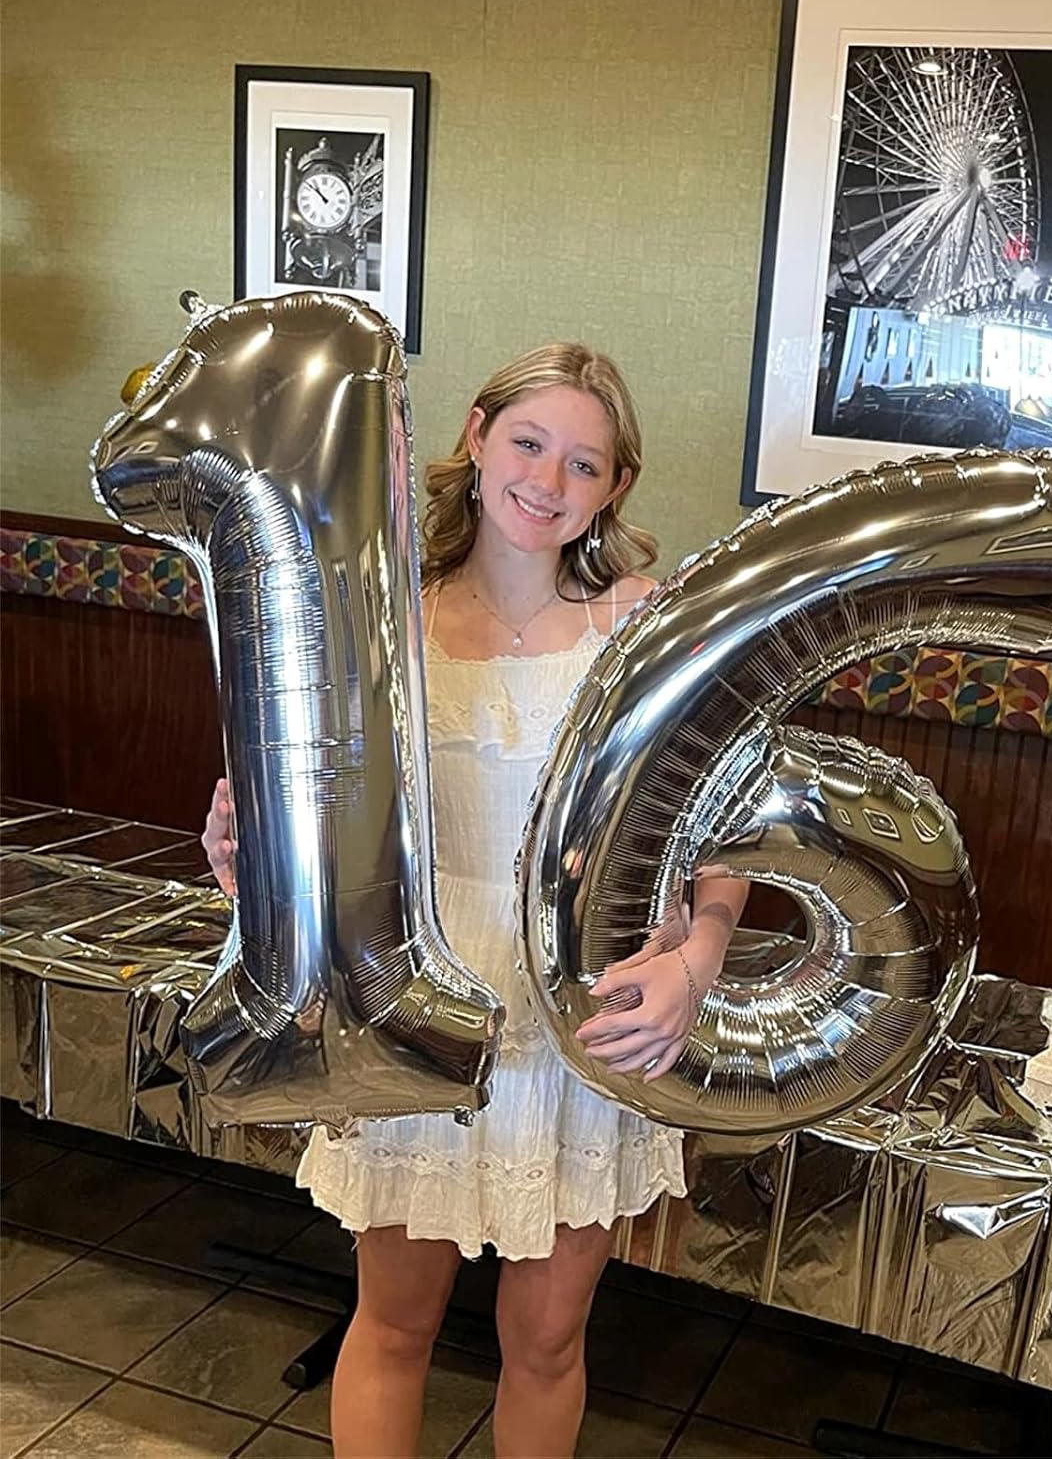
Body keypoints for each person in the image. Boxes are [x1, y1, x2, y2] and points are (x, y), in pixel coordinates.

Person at [200, 344, 746, 1459]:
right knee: (394, 1325)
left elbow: (721, 831)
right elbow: (314, 822)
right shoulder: (382, 618)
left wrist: (699, 960)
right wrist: (250, 850)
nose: (548, 481)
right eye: (529, 443)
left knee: (546, 1342)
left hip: (581, 1011)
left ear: (615, 486)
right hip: (418, 996)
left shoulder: (645, 624)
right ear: (477, 435)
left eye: (584, 463)